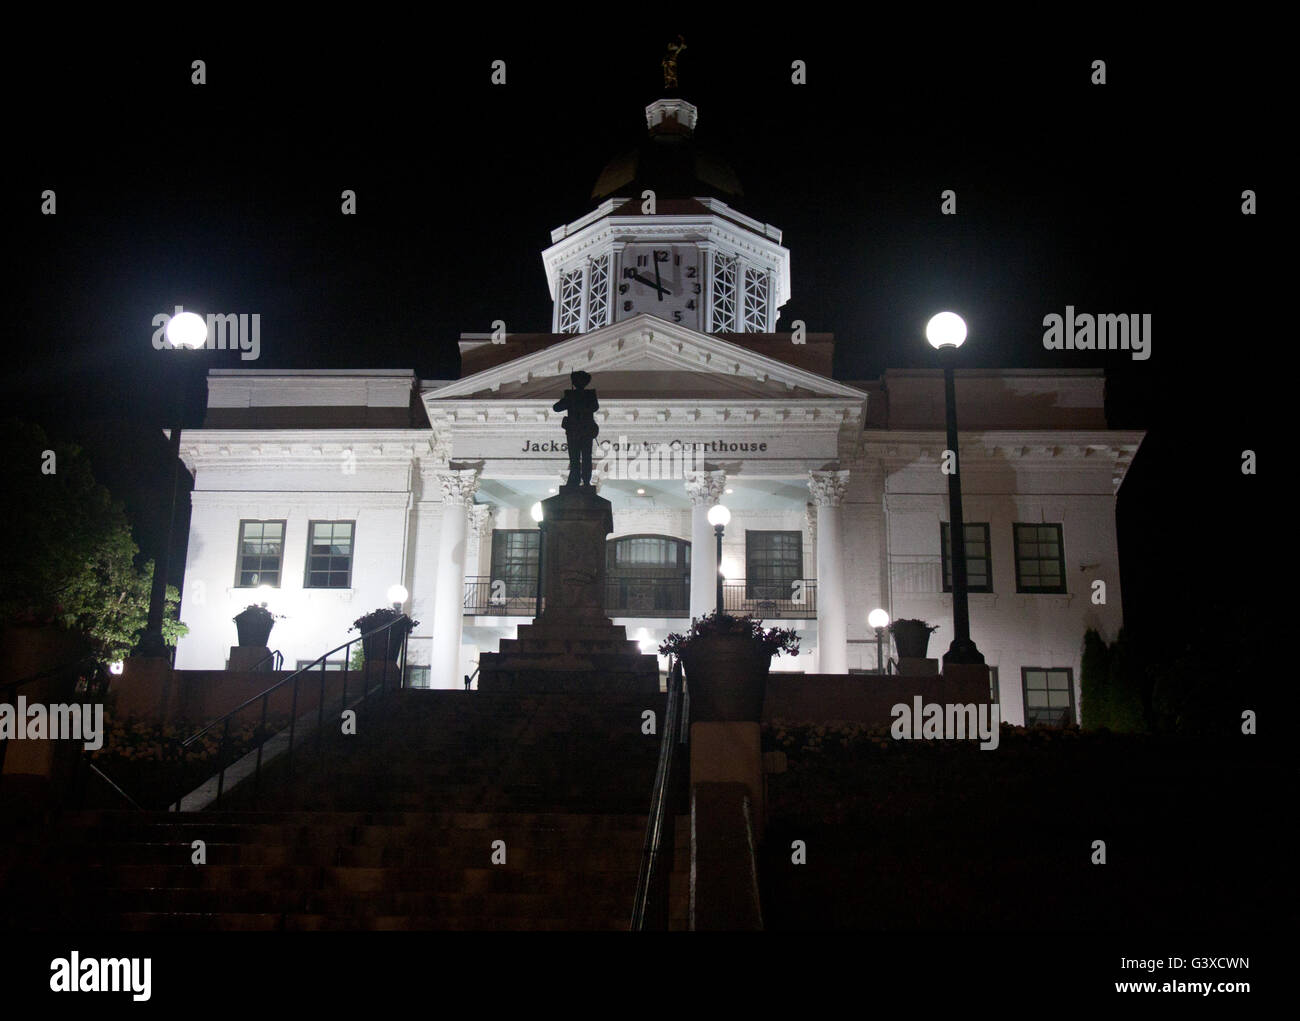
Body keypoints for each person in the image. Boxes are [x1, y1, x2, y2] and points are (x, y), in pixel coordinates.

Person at [553, 370, 599, 487]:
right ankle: (583, 480)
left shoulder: (577, 395)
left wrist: (571, 399)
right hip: (582, 430)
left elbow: (557, 407)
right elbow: (556, 408)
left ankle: (579, 480)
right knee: (583, 457)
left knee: (577, 457)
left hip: (577, 430)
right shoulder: (587, 395)